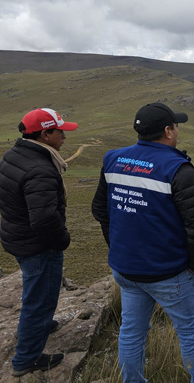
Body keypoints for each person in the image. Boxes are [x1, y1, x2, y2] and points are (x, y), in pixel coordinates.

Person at [91, 102, 194, 383]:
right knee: (192, 331)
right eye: (176, 125)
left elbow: (101, 210)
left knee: (132, 330)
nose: (177, 130)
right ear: (168, 131)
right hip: (168, 273)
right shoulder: (177, 168)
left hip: (125, 269)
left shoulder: (113, 159)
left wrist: (118, 247)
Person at [0, 108, 78, 376]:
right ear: (45, 134)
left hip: (19, 238)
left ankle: (42, 324)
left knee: (39, 294)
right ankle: (27, 359)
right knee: (40, 298)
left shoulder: (14, 154)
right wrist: (62, 240)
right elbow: (44, 219)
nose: (64, 137)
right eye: (60, 132)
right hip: (38, 245)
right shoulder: (41, 169)